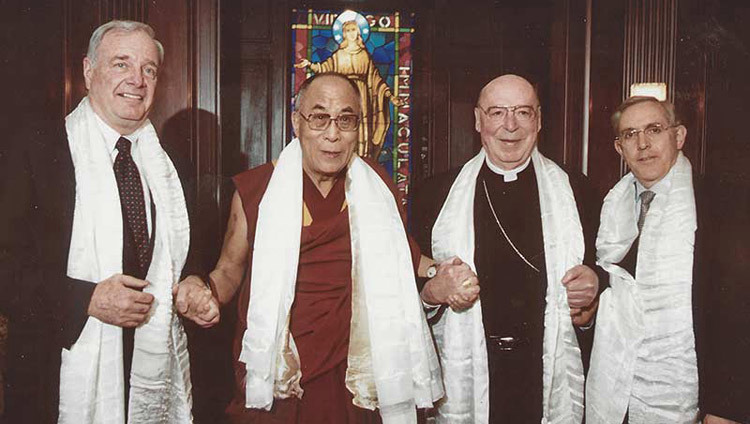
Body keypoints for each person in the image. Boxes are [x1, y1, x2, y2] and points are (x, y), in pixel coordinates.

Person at [176, 72, 446, 423]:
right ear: (296, 122)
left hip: (358, 377)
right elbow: (229, 269)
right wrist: (204, 291)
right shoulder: (257, 189)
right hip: (282, 379)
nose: (332, 135)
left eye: (346, 120)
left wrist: (443, 272)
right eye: (319, 118)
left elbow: (407, 258)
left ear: (358, 128)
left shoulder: (377, 188)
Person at [0, 20, 214, 423]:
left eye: (148, 69)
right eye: (121, 64)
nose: (137, 79)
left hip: (150, 366)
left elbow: (188, 255)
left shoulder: (170, 165)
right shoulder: (37, 149)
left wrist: (194, 282)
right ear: (87, 71)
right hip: (59, 372)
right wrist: (87, 299)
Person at [411, 74, 602, 423]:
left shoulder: (578, 191)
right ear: (478, 120)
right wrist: (432, 292)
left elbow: (604, 278)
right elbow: (405, 291)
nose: (510, 126)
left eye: (523, 113)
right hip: (465, 370)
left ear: (539, 120)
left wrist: (596, 285)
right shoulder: (435, 194)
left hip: (545, 369)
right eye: (497, 112)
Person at [586, 96, 750, 424]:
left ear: (679, 137)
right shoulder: (606, 209)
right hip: (616, 393)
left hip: (688, 398)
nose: (643, 144)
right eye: (630, 134)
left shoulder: (720, 205)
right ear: (619, 148)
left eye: (654, 130)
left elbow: (736, 314)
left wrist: (724, 407)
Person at [295, 19, 402, 159]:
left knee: (361, 127)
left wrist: (390, 95)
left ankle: (362, 158)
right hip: (342, 97)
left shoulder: (364, 55)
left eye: (353, 30)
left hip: (363, 98)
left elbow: (376, 80)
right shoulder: (339, 55)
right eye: (348, 31)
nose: (351, 33)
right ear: (344, 34)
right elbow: (324, 68)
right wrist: (309, 64)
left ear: (358, 32)